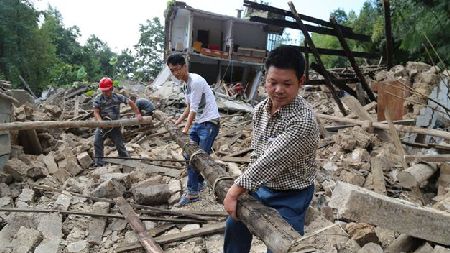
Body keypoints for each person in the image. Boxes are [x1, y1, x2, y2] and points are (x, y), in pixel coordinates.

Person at [222, 45, 319, 253]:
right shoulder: (260, 110)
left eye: (287, 84)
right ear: (265, 78)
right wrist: (246, 188)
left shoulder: (303, 122)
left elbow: (270, 161)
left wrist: (234, 191)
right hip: (261, 187)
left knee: (282, 244)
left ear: (300, 82)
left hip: (293, 194)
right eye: (273, 82)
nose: (278, 90)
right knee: (234, 225)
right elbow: (258, 154)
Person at [167, 54, 220, 206]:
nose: (175, 74)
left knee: (196, 157)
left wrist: (184, 129)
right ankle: (199, 183)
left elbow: (194, 109)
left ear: (185, 66)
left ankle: (192, 192)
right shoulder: (185, 85)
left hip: (209, 123)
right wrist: (177, 122)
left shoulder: (195, 81)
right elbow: (189, 107)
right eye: (172, 71)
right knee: (188, 155)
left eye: (177, 69)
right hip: (198, 123)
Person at [93, 77, 143, 167]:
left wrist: (137, 114)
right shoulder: (98, 99)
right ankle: (99, 162)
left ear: (111, 89)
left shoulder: (117, 97)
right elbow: (96, 112)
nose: (104, 93)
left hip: (114, 125)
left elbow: (130, 102)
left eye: (106, 91)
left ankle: (125, 159)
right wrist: (100, 122)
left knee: (119, 143)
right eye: (103, 91)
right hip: (102, 126)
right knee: (97, 141)